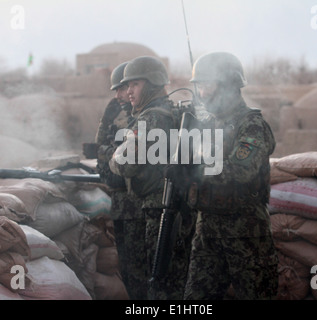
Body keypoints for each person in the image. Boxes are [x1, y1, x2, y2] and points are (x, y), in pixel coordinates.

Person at [183, 52, 279, 300]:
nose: (201, 93)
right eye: (199, 85)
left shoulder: (251, 125)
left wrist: (194, 168)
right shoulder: (206, 125)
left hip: (245, 233)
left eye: (206, 85)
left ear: (227, 85)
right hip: (208, 231)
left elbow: (241, 169)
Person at [109, 56, 195, 300]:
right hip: (176, 205)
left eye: (134, 85)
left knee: (160, 280)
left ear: (152, 84)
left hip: (160, 208)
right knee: (175, 275)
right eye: (127, 86)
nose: (128, 92)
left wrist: (113, 158)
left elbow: (125, 164)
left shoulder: (152, 118)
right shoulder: (174, 113)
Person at [94, 61, 147, 300]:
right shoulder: (115, 109)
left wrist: (112, 154)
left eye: (123, 88)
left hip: (142, 200)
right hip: (121, 197)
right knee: (129, 264)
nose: (119, 95)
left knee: (144, 266)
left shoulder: (146, 114)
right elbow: (102, 144)